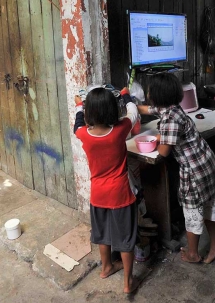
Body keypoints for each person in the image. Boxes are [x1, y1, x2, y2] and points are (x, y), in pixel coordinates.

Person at [137, 73, 215, 264]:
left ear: (157, 95)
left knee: (192, 210)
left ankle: (193, 254)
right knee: (208, 205)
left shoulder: (170, 120)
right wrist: (131, 107)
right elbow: (148, 109)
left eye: (149, 90)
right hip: (206, 163)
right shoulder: (173, 109)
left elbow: (164, 152)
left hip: (194, 171)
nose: (148, 92)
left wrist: (158, 138)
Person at [73, 87, 139, 294]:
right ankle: (128, 284)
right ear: (112, 109)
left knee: (102, 234)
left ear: (89, 113)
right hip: (121, 194)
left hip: (98, 195)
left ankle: (106, 267)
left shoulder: (84, 134)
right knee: (126, 239)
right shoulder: (120, 130)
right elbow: (133, 112)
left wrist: (78, 104)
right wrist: (126, 94)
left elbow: (77, 123)